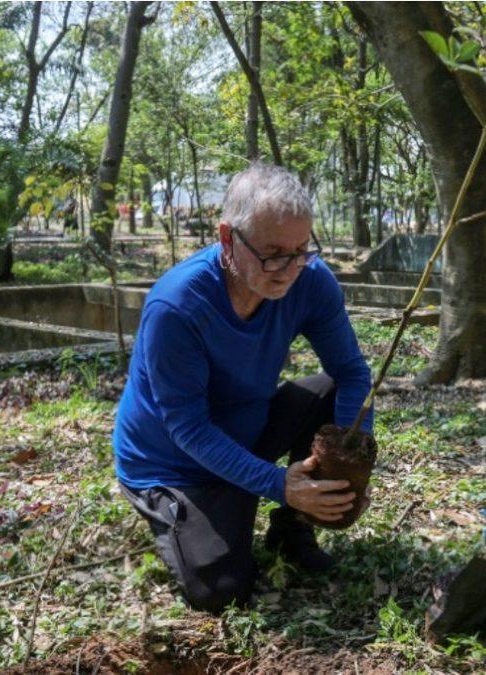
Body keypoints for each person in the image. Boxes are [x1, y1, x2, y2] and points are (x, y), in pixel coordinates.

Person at [113, 163, 374, 613]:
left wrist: (352, 467)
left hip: (247, 427)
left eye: (301, 250)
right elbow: (189, 430)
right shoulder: (177, 307)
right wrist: (276, 482)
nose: (289, 268)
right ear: (228, 238)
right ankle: (198, 509)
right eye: (273, 253)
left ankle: (292, 528)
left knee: (333, 391)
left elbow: (351, 372)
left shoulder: (310, 280)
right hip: (174, 464)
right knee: (219, 588)